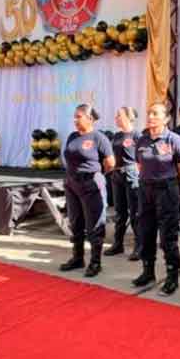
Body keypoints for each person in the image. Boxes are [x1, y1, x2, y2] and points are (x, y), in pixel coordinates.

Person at [132, 103, 180, 294]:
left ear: (166, 119)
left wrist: (167, 183)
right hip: (145, 189)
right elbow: (140, 166)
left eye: (155, 114)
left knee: (168, 236)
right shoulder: (141, 140)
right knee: (146, 232)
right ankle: (148, 272)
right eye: (149, 113)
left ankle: (172, 277)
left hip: (166, 190)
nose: (150, 117)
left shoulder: (175, 140)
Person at [60, 104, 115, 277]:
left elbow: (110, 163)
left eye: (79, 116)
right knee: (75, 222)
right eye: (74, 117)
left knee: (95, 223)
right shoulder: (72, 136)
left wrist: (95, 176)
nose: (75, 120)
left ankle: (95, 262)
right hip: (72, 183)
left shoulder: (99, 138)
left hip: (91, 184)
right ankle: (78, 258)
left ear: (90, 118)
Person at [105, 107, 141, 261]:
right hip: (117, 174)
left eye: (119, 115)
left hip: (131, 174)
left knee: (135, 213)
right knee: (120, 213)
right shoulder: (117, 135)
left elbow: (142, 157)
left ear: (129, 117)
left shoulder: (137, 135)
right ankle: (118, 244)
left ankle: (139, 247)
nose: (116, 118)